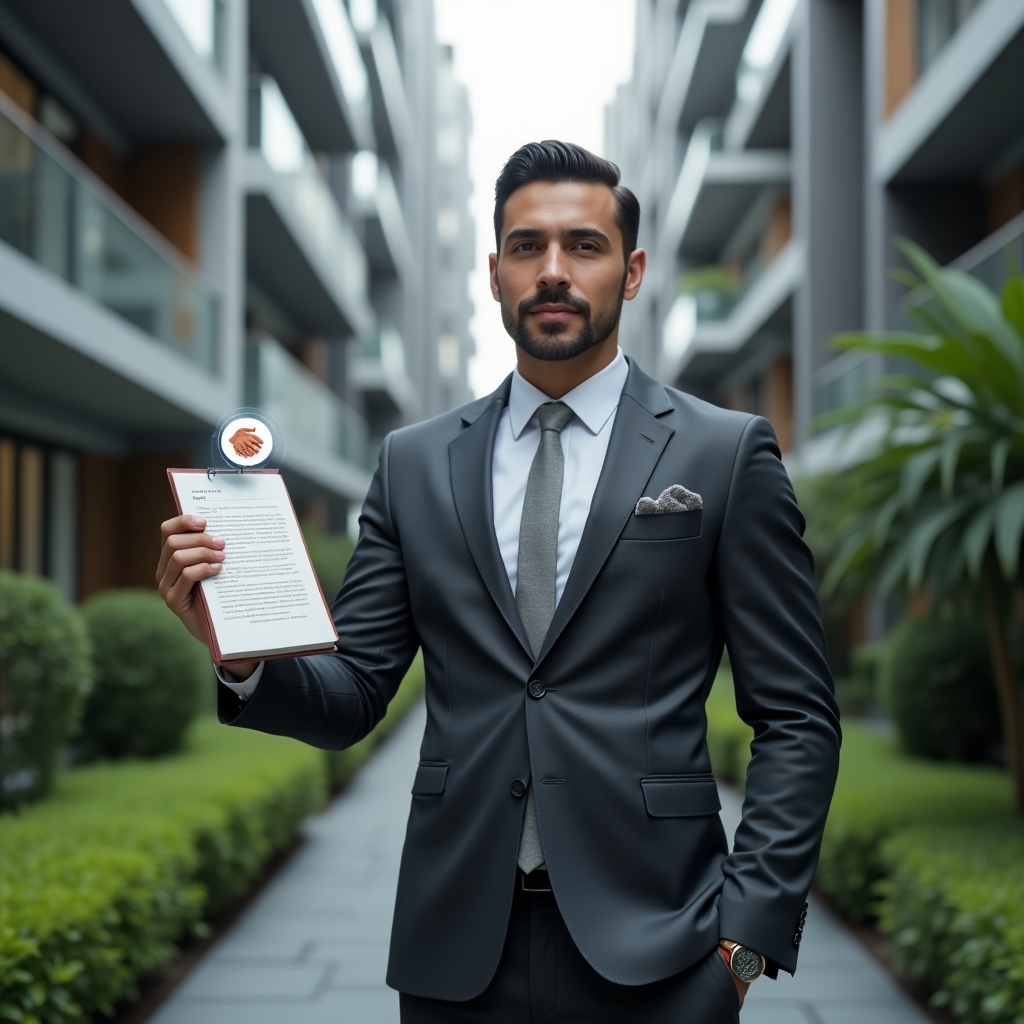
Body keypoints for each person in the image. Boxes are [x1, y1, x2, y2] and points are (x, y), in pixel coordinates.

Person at [157, 140, 840, 1023]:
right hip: (455, 954)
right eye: (527, 247)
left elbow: (796, 715)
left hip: (664, 953)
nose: (552, 271)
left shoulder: (724, 452)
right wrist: (242, 660)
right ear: (493, 273)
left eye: (583, 246)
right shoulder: (413, 463)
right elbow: (356, 691)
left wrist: (742, 945)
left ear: (631, 272)